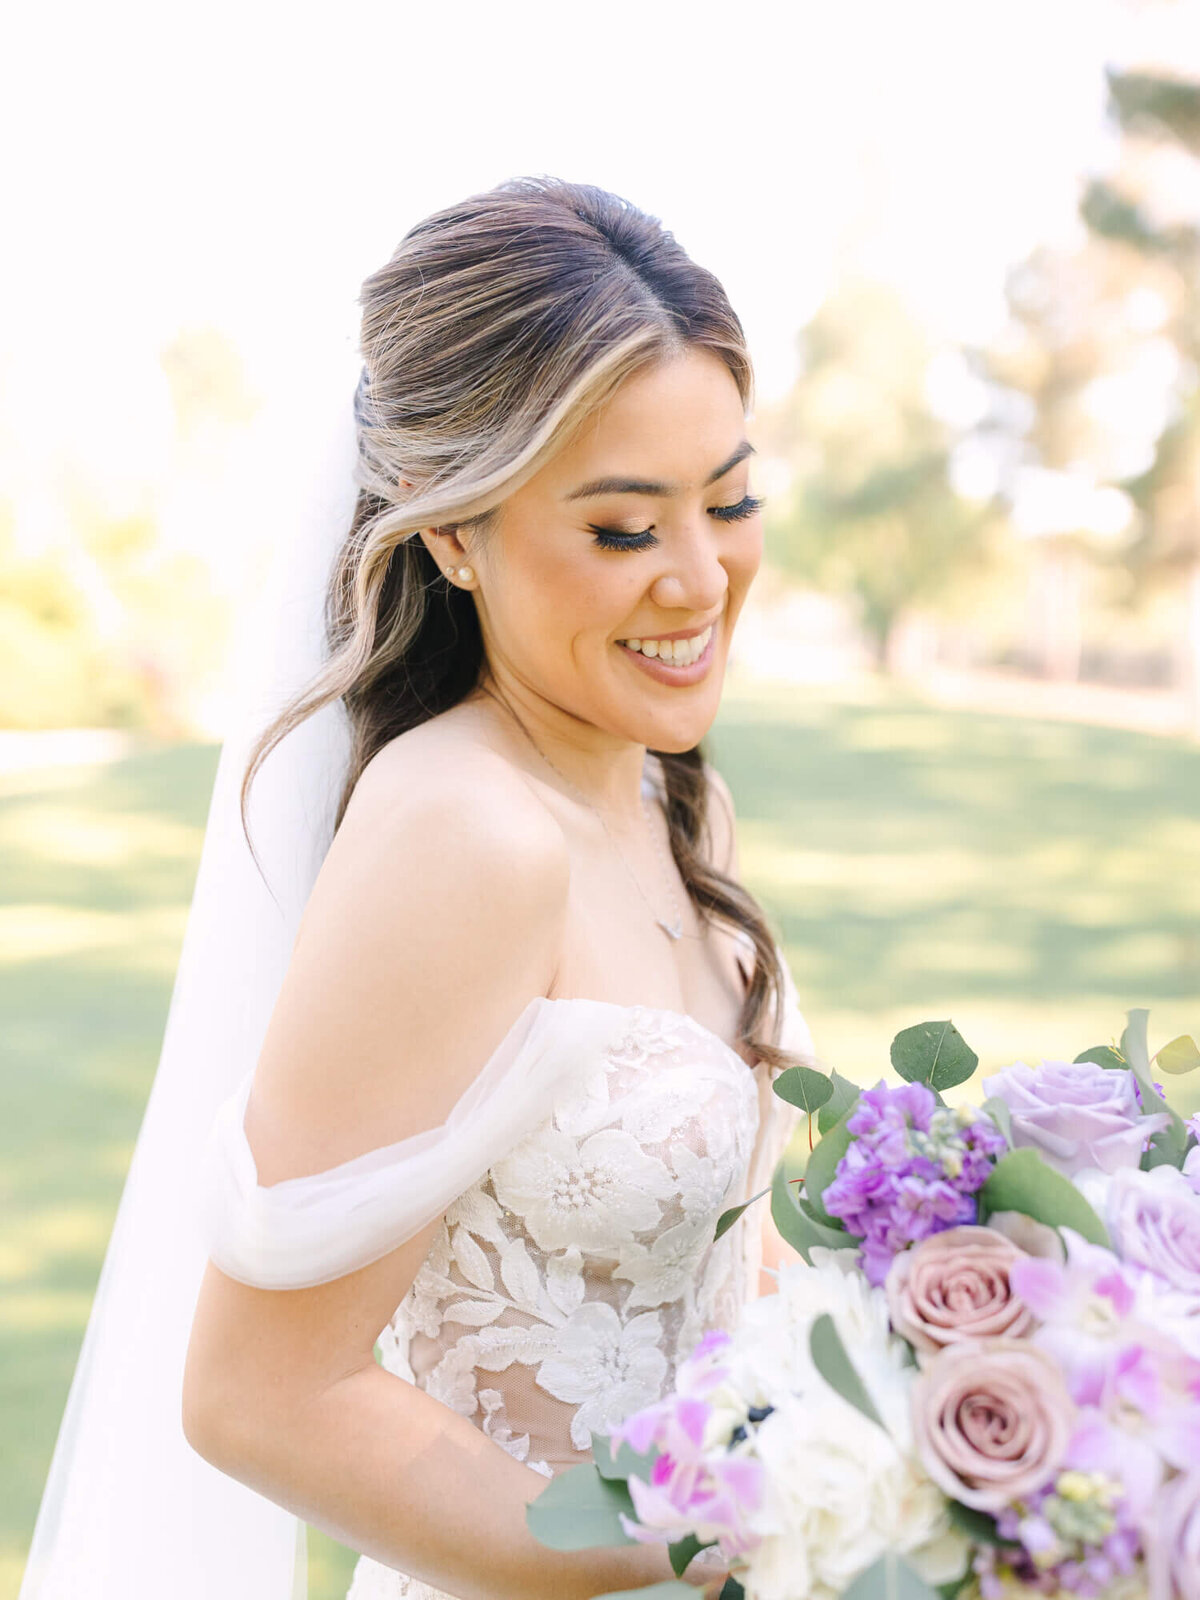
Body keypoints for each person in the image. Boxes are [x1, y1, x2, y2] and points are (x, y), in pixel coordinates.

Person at [24, 174, 817, 1600]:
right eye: (627, 529)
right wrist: (716, 1538)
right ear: (453, 534)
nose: (702, 579)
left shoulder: (670, 796)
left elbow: (714, 1272)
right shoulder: (466, 836)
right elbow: (261, 1399)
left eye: (730, 498)